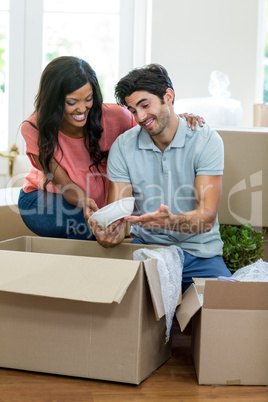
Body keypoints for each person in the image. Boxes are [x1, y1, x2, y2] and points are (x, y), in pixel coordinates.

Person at [18, 56, 201, 240]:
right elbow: (64, 184)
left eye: (88, 99)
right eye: (72, 102)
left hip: (105, 205)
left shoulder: (116, 117)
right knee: (85, 223)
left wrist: (174, 119)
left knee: (97, 228)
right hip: (54, 199)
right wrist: (85, 202)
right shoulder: (34, 127)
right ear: (54, 100)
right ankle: (105, 233)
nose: (82, 109)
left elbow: (151, 128)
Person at [90, 63, 231, 291]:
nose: (140, 117)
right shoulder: (124, 147)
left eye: (145, 105)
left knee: (226, 314)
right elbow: (119, 213)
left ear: (168, 96)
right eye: (133, 110)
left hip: (199, 254)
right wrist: (108, 232)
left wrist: (171, 222)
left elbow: (206, 218)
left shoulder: (206, 140)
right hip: (147, 251)